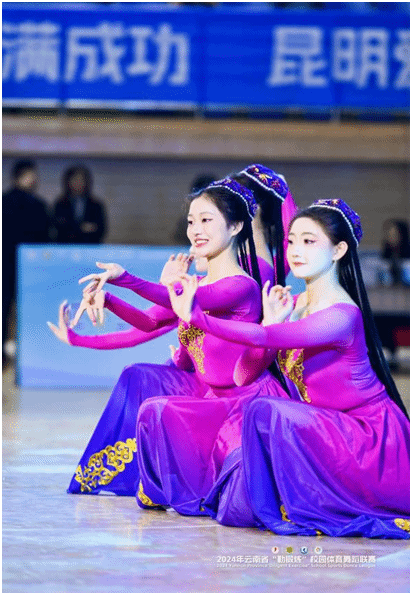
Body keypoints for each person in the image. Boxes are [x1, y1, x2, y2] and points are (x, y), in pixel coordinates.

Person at [168, 198, 410, 538]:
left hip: (367, 440)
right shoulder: (293, 305)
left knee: (264, 411)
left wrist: (198, 318)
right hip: (325, 428)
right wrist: (270, 322)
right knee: (241, 451)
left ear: (339, 250)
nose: (296, 250)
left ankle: (285, 509)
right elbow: (243, 375)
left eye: (309, 241)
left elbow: (264, 336)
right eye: (292, 240)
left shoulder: (341, 315)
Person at [2, 159, 51, 365]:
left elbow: (46, 237)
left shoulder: (38, 205)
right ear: (18, 177)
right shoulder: (10, 203)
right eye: (30, 176)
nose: (34, 180)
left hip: (30, 268)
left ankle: (29, 355)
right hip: (9, 266)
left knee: (28, 311)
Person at [53, 165, 107, 244]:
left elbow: (101, 229)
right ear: (68, 181)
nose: (78, 183)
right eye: (75, 179)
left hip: (90, 246)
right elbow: (58, 227)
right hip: (66, 246)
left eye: (81, 180)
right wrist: (81, 228)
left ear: (87, 182)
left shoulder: (96, 205)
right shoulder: (60, 204)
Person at [381, 219, 410, 286]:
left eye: (393, 234)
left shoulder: (407, 252)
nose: (389, 237)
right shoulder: (388, 251)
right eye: (388, 234)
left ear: (402, 235)